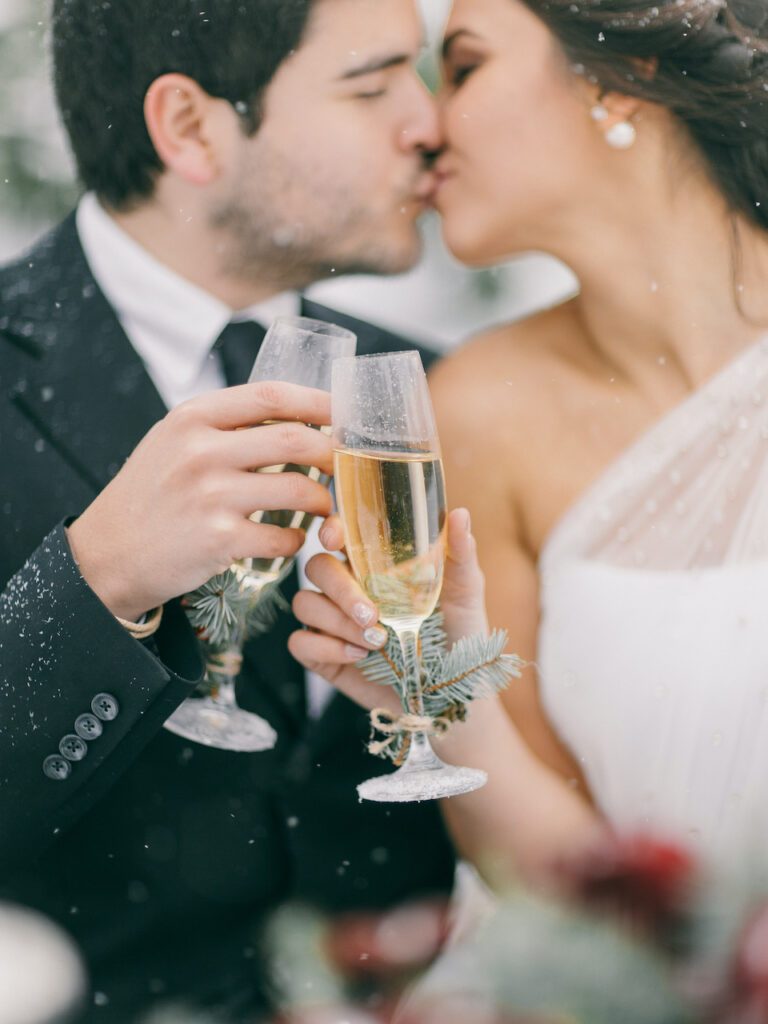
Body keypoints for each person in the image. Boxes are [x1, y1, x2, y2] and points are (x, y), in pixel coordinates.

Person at [0, 1, 457, 1020]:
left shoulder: (427, 390)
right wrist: (95, 580)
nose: (428, 122)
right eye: (372, 85)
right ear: (193, 128)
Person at [290, 0, 768, 887]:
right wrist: (436, 699)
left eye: (464, 68)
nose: (425, 127)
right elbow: (559, 881)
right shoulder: (472, 413)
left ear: (624, 83)